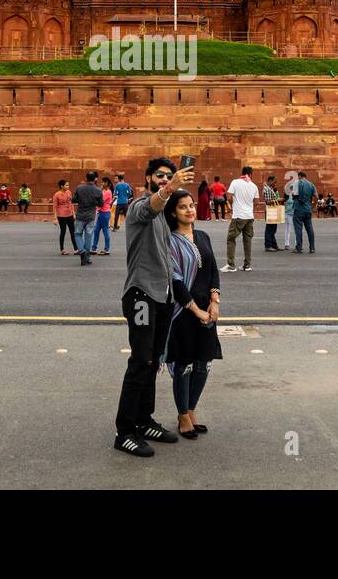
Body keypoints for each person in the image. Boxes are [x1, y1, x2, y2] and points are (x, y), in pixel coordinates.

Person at [114, 155, 195, 458]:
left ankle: (143, 419)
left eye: (169, 177)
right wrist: (169, 188)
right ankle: (124, 431)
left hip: (161, 298)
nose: (164, 180)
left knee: (152, 361)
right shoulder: (139, 207)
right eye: (160, 176)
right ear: (148, 178)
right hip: (141, 296)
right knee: (139, 361)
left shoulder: (164, 215)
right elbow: (152, 206)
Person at [161, 189, 222, 440]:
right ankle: (183, 415)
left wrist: (214, 302)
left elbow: (213, 271)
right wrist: (195, 310)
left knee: (203, 365)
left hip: (207, 310)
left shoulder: (203, 236)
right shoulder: (170, 241)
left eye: (191, 205)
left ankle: (191, 409)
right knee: (184, 365)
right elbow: (175, 280)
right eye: (183, 207)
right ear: (174, 213)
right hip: (184, 312)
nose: (189, 210)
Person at [224, 166, 258, 272]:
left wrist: (231, 206)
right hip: (249, 217)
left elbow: (229, 196)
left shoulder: (235, 182)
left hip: (238, 215)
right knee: (247, 240)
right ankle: (247, 265)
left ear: (242, 173)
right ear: (251, 174)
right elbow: (256, 202)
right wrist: (250, 208)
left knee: (231, 239)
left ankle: (231, 265)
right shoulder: (254, 186)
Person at [72, 171, 102, 266]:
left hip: (80, 215)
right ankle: (87, 257)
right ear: (95, 179)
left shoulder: (79, 188)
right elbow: (101, 203)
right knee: (89, 236)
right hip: (90, 216)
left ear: (86, 178)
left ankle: (82, 251)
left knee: (77, 234)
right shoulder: (98, 190)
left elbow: (74, 200)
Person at [291, 169, 317, 254]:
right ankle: (312, 248)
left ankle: (299, 247)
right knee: (310, 229)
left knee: (298, 229)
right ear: (305, 177)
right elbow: (316, 197)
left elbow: (294, 195)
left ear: (299, 176)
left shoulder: (296, 183)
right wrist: (313, 206)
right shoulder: (311, 184)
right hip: (308, 209)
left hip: (298, 209)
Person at [91, 175, 114, 255]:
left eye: (103, 182)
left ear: (106, 183)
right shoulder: (104, 191)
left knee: (105, 231)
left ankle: (106, 249)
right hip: (101, 213)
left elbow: (100, 201)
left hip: (104, 213)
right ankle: (93, 248)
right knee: (96, 231)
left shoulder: (108, 192)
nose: (101, 183)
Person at [52, 179, 75, 255]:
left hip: (70, 214)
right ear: (61, 186)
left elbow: (71, 203)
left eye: (68, 185)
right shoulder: (57, 195)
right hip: (61, 215)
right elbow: (54, 207)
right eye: (66, 185)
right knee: (63, 231)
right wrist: (55, 218)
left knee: (73, 232)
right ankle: (62, 249)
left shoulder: (69, 192)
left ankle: (76, 249)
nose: (68, 186)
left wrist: (73, 213)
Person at [262, 174, 281, 251]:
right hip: (270, 210)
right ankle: (268, 246)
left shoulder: (270, 188)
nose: (275, 183)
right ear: (270, 181)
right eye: (274, 182)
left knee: (273, 229)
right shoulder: (267, 189)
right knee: (270, 229)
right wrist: (278, 200)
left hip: (273, 210)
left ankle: (274, 245)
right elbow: (267, 202)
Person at [283, 174, 297, 250]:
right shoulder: (287, 193)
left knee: (296, 229)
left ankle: (297, 244)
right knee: (287, 229)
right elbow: (283, 202)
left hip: (295, 213)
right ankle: (286, 244)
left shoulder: (297, 193)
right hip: (288, 213)